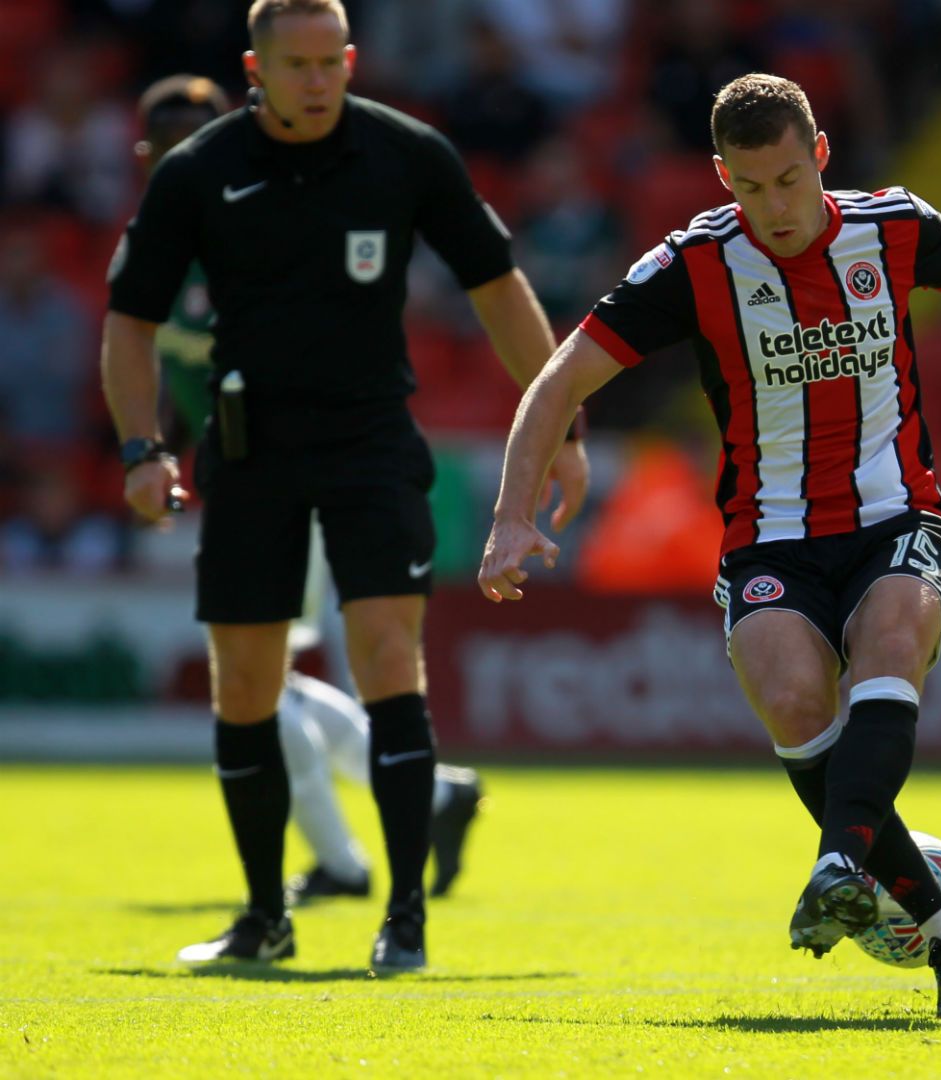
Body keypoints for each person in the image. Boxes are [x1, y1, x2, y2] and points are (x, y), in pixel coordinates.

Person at [477, 73, 941, 1018]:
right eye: (748, 187)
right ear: (721, 176)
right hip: (768, 537)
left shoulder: (894, 227)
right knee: (793, 704)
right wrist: (509, 513)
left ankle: (837, 861)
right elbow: (558, 380)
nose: (772, 208)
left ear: (819, 155)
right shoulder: (692, 265)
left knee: (891, 647)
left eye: (786, 180)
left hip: (896, 514)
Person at [101, 0, 585, 970]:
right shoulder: (201, 171)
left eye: (334, 63)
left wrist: (563, 425)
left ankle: (404, 917)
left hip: (370, 443)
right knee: (244, 682)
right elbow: (130, 322)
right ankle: (261, 918)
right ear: (257, 68)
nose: (320, 82)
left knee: (385, 655)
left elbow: (497, 284)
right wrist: (143, 450)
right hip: (247, 452)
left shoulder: (408, 155)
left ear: (353, 59)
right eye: (300, 66)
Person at [131, 73, 487, 910]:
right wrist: (165, 453)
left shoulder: (241, 232)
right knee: (269, 682)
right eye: (171, 139)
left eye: (199, 133)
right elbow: (199, 378)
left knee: (264, 682)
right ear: (148, 154)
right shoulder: (169, 236)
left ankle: (354, 856)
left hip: (319, 469)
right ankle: (423, 803)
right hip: (246, 472)